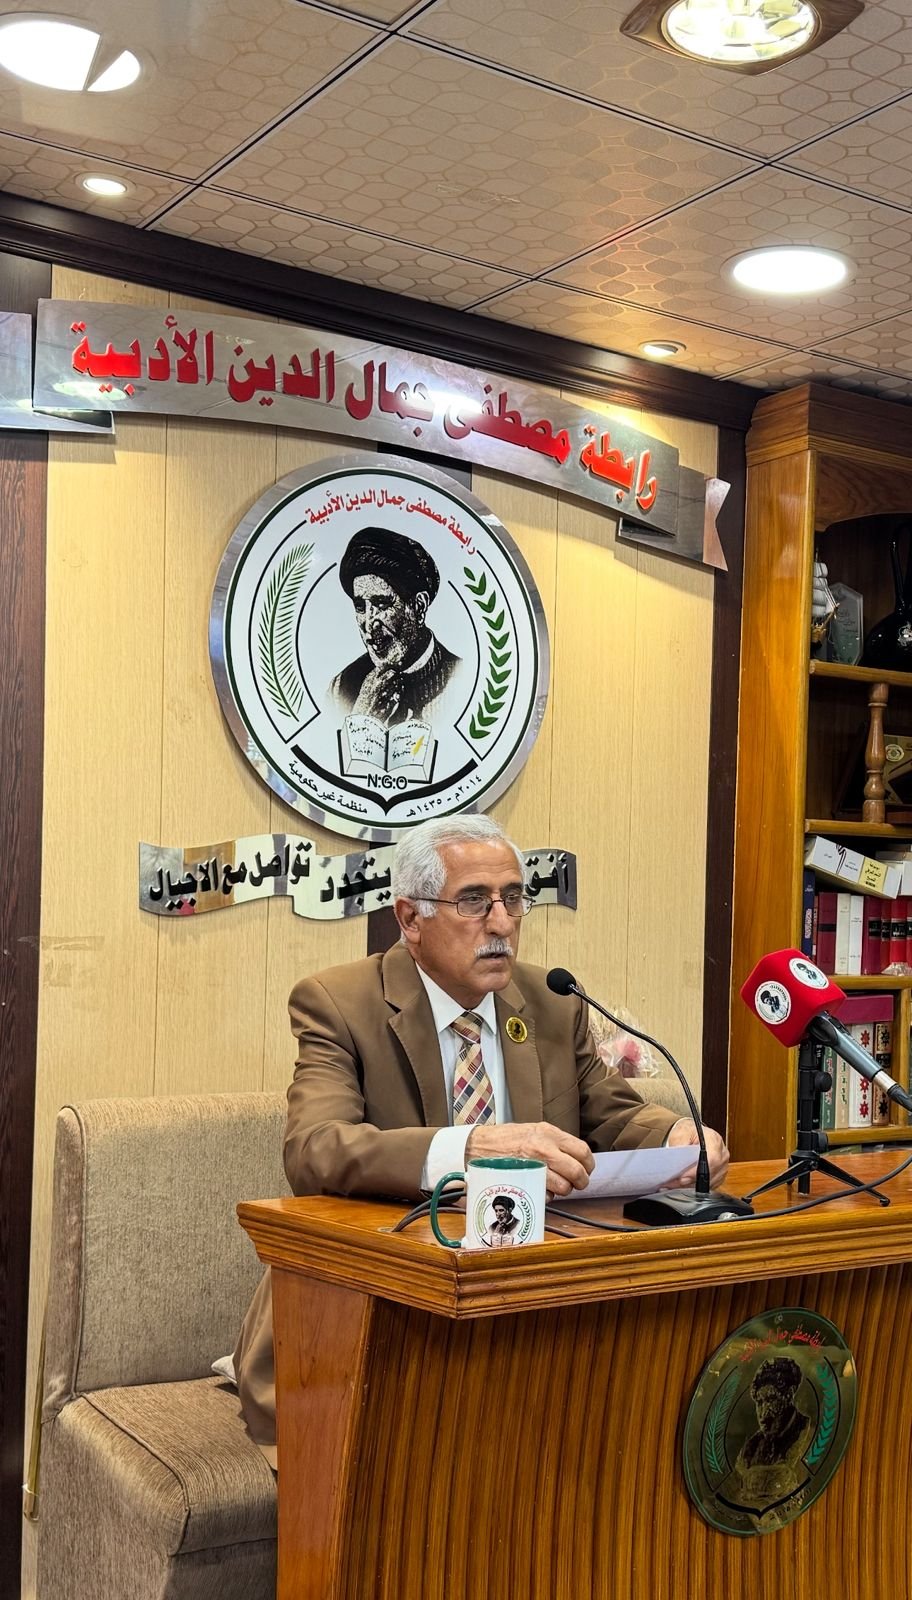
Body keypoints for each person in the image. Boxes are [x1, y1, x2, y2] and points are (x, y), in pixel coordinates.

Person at [234, 814, 729, 1463]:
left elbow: (610, 1113)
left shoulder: (550, 1001)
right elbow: (315, 1149)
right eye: (474, 900)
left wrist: (676, 1133)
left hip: (529, 1313)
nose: (501, 922)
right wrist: (467, 1149)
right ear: (410, 918)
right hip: (372, 1322)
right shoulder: (339, 1003)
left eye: (513, 898)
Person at [329, 526, 460, 727]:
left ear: (418, 607)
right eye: (360, 607)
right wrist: (364, 716)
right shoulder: (341, 688)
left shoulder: (460, 681)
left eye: (382, 604)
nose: (369, 623)